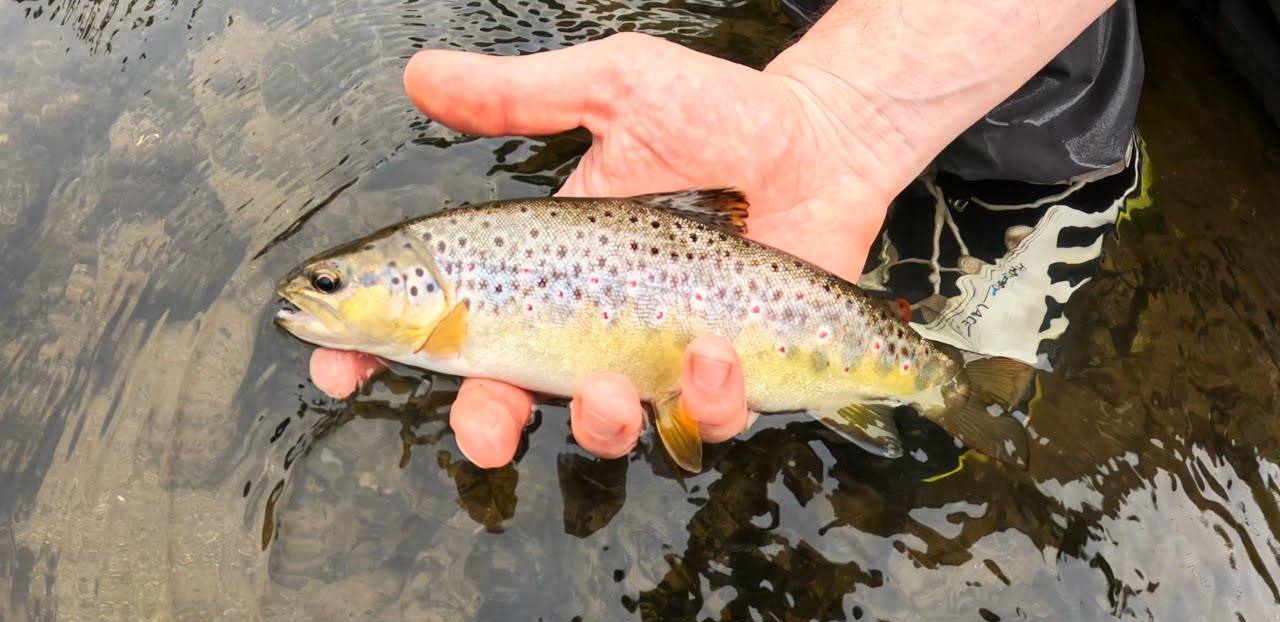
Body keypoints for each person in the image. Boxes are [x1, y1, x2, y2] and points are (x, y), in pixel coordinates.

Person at [309, 0, 1142, 469]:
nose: (316, 292)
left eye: (332, 283)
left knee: (902, 468)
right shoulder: (440, 296)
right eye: (327, 284)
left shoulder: (447, 299)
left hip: (1054, 113)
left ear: (412, 284)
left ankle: (961, 364)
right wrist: (843, 111)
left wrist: (842, 119)